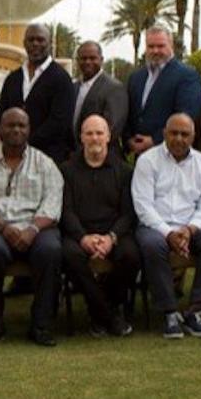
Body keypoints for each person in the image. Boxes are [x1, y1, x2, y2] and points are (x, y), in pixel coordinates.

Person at [0, 108, 64, 346]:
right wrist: (3, 228)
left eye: (22, 125)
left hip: (37, 229)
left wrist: (32, 230)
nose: (16, 130)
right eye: (10, 125)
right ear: (0, 130)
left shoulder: (45, 164)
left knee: (50, 250)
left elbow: (53, 204)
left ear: (29, 130)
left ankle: (41, 326)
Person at [132, 113, 201, 339]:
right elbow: (143, 205)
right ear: (164, 133)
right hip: (155, 226)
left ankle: (196, 310)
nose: (179, 139)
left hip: (191, 227)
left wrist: (189, 230)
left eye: (185, 134)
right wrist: (168, 233)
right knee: (152, 245)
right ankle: (170, 312)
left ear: (193, 137)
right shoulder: (147, 161)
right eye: (174, 133)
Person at [60, 114, 138, 337]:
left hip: (114, 234)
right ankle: (109, 315)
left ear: (109, 137)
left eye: (99, 133)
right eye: (89, 133)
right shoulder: (66, 170)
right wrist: (83, 238)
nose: (95, 138)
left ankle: (100, 311)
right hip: (78, 235)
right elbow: (65, 211)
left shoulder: (124, 172)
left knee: (131, 255)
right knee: (69, 256)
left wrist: (111, 238)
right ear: (81, 137)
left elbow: (129, 213)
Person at [0, 23, 75, 164]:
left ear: (50, 43)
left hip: (49, 158)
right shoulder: (14, 78)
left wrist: (24, 142)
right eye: (31, 40)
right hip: (14, 157)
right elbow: (1, 114)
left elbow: (60, 122)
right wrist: (11, 142)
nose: (35, 44)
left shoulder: (61, 79)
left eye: (40, 40)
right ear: (24, 43)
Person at [125, 26, 201, 158]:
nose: (155, 50)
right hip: (140, 155)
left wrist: (154, 140)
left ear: (170, 45)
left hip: (171, 153)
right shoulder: (136, 77)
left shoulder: (187, 76)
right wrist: (129, 139)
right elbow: (129, 112)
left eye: (161, 46)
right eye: (151, 46)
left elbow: (187, 114)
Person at [70, 41, 128, 155]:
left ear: (101, 60)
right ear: (77, 61)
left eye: (92, 58)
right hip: (75, 157)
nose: (87, 62)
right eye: (83, 58)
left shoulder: (114, 88)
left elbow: (112, 128)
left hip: (102, 157)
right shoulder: (73, 87)